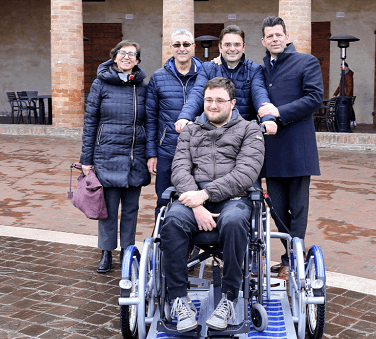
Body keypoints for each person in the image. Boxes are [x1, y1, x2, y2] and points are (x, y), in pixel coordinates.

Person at [161, 77, 265, 332]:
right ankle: (178, 298)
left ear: (232, 103)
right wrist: (197, 204)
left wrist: (205, 195)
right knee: (172, 221)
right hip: (192, 196)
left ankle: (229, 298)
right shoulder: (190, 130)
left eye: (220, 101)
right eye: (209, 100)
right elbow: (179, 169)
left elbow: (246, 173)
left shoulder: (250, 130)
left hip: (234, 196)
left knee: (232, 221)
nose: (213, 105)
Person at [258, 16, 324, 280]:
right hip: (271, 149)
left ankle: (293, 260)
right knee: (276, 207)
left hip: (298, 147)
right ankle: (291, 254)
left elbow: (314, 98)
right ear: (263, 41)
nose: (274, 39)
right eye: (269, 36)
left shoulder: (306, 61)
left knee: (297, 208)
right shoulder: (261, 68)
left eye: (278, 35)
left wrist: (279, 112)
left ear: (286, 37)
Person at [80, 40, 150, 273]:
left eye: (132, 54)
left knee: (131, 209)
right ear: (114, 57)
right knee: (107, 209)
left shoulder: (142, 86)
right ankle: (106, 252)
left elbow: (149, 123)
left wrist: (150, 155)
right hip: (107, 155)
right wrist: (86, 160)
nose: (127, 57)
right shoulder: (101, 84)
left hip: (134, 156)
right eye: (123, 53)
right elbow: (90, 123)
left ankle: (127, 253)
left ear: (137, 61)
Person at [174, 25, 277, 135]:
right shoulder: (208, 68)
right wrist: (185, 117)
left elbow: (260, 94)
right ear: (220, 47)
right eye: (227, 45)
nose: (232, 49)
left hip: (244, 134)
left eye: (237, 44)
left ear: (243, 47)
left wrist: (268, 119)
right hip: (213, 134)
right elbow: (197, 93)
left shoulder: (254, 69)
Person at [146, 29, 202, 218]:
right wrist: (152, 153)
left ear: (193, 47)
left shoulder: (205, 75)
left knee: (197, 200)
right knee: (164, 201)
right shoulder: (158, 77)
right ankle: (161, 242)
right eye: (177, 45)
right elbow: (151, 118)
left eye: (186, 44)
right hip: (167, 151)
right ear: (171, 48)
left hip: (200, 152)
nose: (182, 48)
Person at [333, 62, 356, 127]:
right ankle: (353, 120)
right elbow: (340, 86)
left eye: (341, 67)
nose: (341, 68)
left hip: (345, 95)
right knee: (349, 107)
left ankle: (352, 121)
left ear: (345, 67)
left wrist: (346, 96)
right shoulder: (345, 74)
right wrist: (335, 94)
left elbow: (349, 86)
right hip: (344, 95)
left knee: (347, 108)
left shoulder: (347, 75)